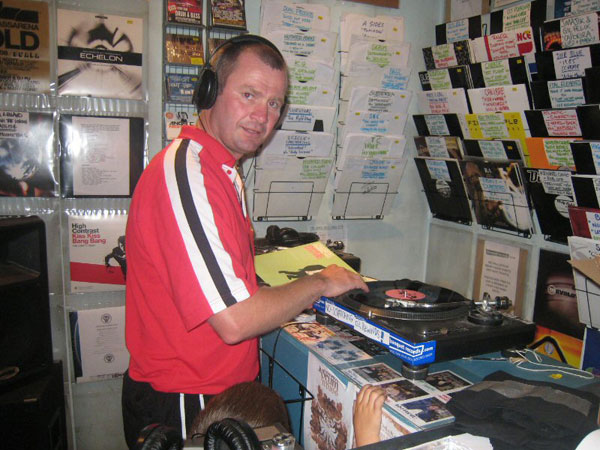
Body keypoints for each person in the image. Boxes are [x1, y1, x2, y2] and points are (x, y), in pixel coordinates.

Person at [121, 34, 368, 449]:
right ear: (210, 92)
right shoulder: (188, 173)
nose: (262, 115)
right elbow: (235, 322)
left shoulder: (222, 171)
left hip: (216, 390)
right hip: (186, 399)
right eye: (249, 94)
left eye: (274, 103)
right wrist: (321, 282)